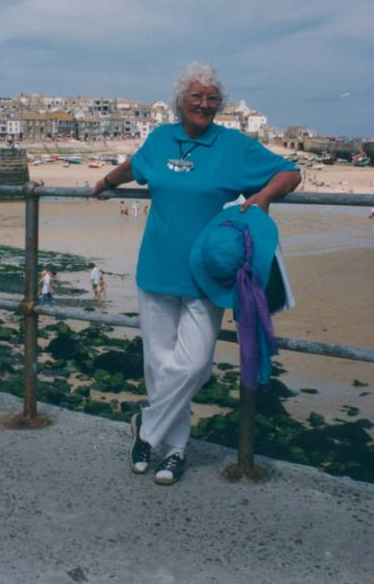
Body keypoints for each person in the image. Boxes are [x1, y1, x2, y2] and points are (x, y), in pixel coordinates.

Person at [92, 62, 301, 485]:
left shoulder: (233, 146)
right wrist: (104, 181)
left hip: (208, 275)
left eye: (211, 99)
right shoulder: (160, 138)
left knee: (194, 364)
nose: (204, 104)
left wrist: (261, 197)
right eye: (196, 97)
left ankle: (145, 429)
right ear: (180, 102)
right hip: (156, 268)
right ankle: (173, 450)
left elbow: (290, 171)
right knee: (158, 364)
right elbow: (135, 166)